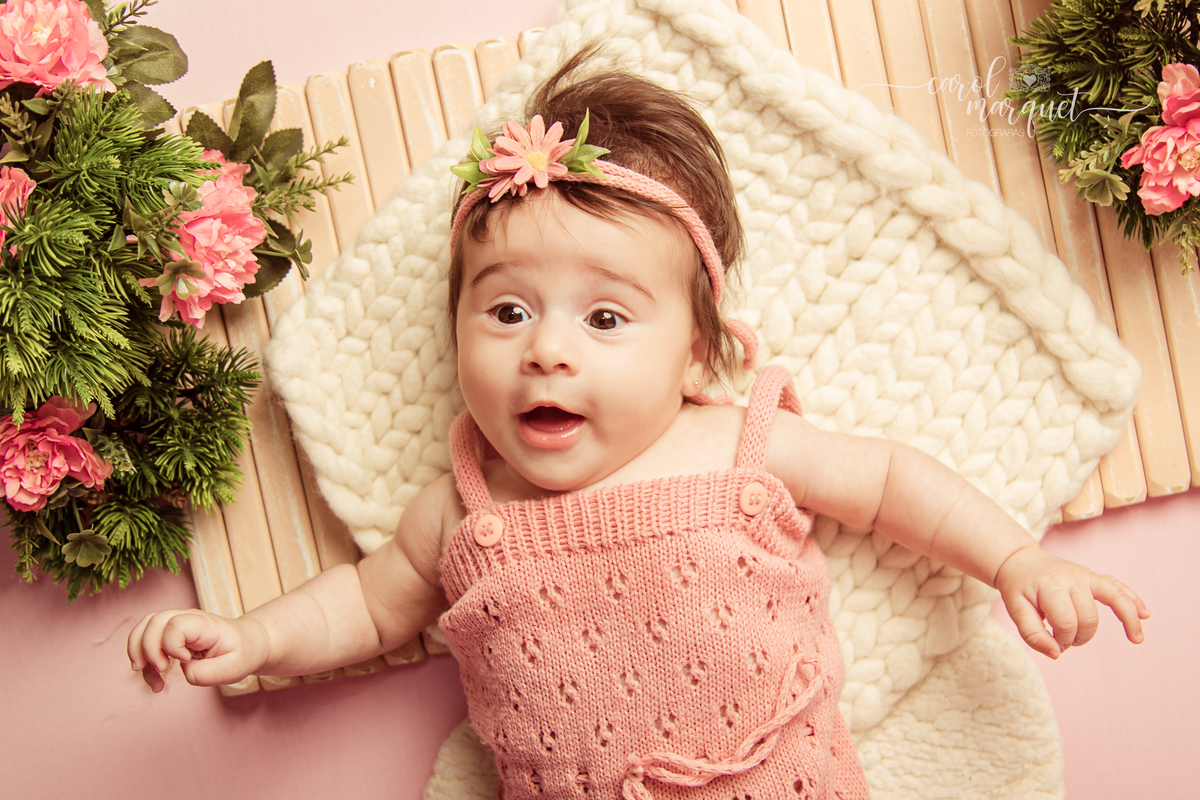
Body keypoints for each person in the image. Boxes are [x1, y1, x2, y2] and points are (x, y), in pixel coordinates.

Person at [127, 49, 1149, 800]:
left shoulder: (737, 447)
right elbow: (364, 605)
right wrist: (255, 636)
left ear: (699, 354)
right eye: (506, 310)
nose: (546, 349)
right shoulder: (462, 511)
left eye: (605, 318)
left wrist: (1013, 559)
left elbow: (888, 482)